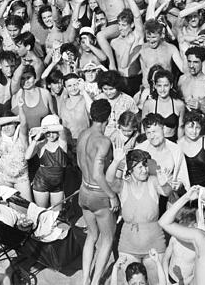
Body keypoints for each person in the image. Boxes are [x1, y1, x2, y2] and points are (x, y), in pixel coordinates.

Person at [77, 98, 119, 285]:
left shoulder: (82, 135)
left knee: (92, 235)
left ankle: (85, 278)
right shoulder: (103, 141)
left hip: (83, 190)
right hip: (98, 194)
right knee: (107, 238)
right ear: (108, 118)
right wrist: (112, 195)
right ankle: (95, 283)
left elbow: (80, 163)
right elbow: (98, 173)